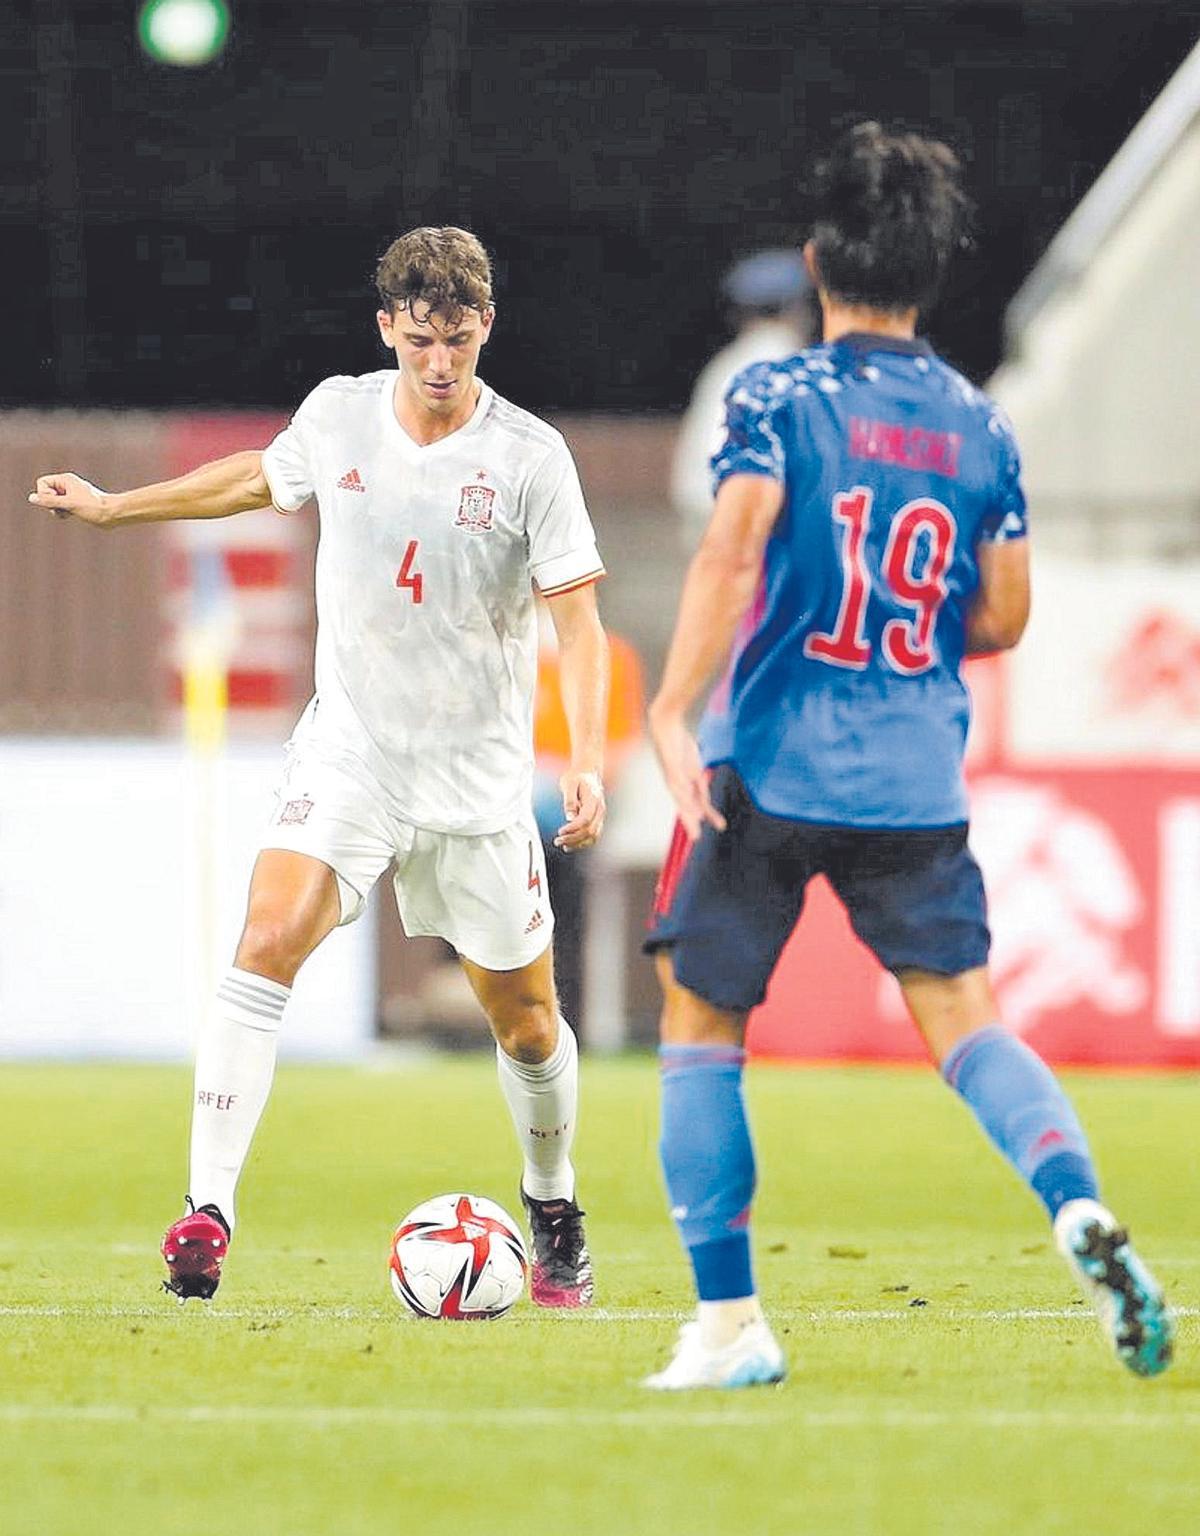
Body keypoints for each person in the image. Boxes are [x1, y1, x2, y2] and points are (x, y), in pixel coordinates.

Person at [642, 123, 1173, 1389]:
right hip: (914, 777)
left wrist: (672, 706)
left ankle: (728, 1328)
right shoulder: (981, 426)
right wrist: (905, 627)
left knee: (702, 1024)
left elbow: (731, 546)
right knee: (967, 1019)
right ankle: (1077, 1210)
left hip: (766, 765)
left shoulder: (776, 394)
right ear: (933, 274)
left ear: (821, 257)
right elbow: (1003, 616)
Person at [29, 226, 607, 1309]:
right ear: (388, 328)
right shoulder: (339, 412)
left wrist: (580, 757)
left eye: (460, 340)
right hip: (352, 754)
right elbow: (256, 479)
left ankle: (553, 1196)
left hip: (477, 779)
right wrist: (115, 507)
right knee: (264, 941)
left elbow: (576, 623)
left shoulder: (530, 458)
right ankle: (207, 1214)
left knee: (527, 1024)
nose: (440, 363)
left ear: (488, 328)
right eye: (422, 339)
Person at [670, 248, 814, 552]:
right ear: (794, 308)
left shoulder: (728, 361)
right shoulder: (786, 358)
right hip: (741, 519)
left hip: (702, 512)